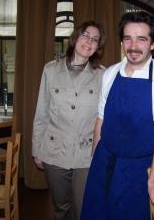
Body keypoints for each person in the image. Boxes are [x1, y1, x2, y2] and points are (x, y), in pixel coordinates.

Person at [81, 11, 154, 220]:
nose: (133, 46)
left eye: (141, 39)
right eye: (128, 38)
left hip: (138, 169)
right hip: (104, 161)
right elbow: (101, 120)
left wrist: (153, 179)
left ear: (152, 44)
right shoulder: (110, 73)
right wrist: (94, 160)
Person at [32, 21, 105, 220]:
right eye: (85, 35)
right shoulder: (50, 70)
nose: (89, 41)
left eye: (95, 39)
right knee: (60, 207)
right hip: (54, 151)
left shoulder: (102, 75)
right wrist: (37, 150)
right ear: (75, 37)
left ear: (98, 46)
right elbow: (42, 113)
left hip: (86, 154)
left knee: (84, 207)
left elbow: (105, 118)